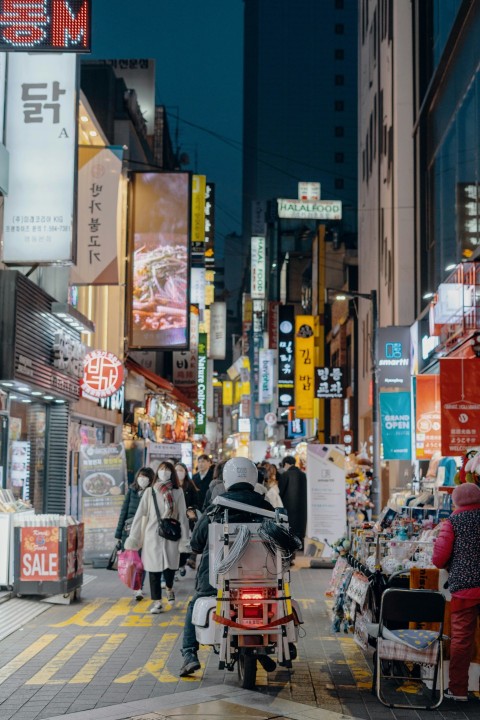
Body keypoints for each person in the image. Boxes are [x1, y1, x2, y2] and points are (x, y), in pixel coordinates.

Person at [179, 457, 273, 677]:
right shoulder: (266, 507)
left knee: (195, 604)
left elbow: (196, 544)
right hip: (262, 577)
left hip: (217, 578)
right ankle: (264, 647)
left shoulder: (216, 508)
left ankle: (190, 654)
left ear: (227, 479)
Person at [433, 482, 480, 702]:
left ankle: (458, 690)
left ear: (456, 501)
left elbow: (439, 559)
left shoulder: (453, 522)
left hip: (464, 590)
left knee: (461, 640)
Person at [125, 461, 190, 614]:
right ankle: (157, 602)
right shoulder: (150, 492)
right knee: (153, 571)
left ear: (171, 473)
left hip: (171, 535)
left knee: (170, 568)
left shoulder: (178, 492)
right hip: (152, 535)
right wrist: (134, 537)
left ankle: (169, 587)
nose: (164, 472)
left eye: (167, 470)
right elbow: (140, 514)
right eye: (161, 469)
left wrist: (185, 539)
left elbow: (183, 516)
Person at [114, 467, 155, 600]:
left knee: (142, 561)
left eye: (146, 477)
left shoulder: (152, 492)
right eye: (141, 476)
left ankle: (139, 588)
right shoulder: (132, 491)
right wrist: (118, 534)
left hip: (147, 531)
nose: (143, 479)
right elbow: (123, 512)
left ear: (151, 479)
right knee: (133, 560)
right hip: (130, 530)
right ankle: (136, 585)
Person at [175, 462, 200, 577]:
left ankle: (181, 564)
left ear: (185, 472)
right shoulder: (171, 486)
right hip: (174, 520)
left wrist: (191, 508)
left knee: (185, 545)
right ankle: (174, 568)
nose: (179, 472)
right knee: (174, 546)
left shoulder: (190, 486)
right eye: (177, 470)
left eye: (181, 470)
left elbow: (196, 502)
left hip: (187, 521)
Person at [278, 456, 307, 548]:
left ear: (286, 464)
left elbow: (280, 492)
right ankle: (299, 544)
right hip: (302, 507)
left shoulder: (285, 475)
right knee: (300, 527)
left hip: (288, 507)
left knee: (290, 528)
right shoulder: (303, 475)